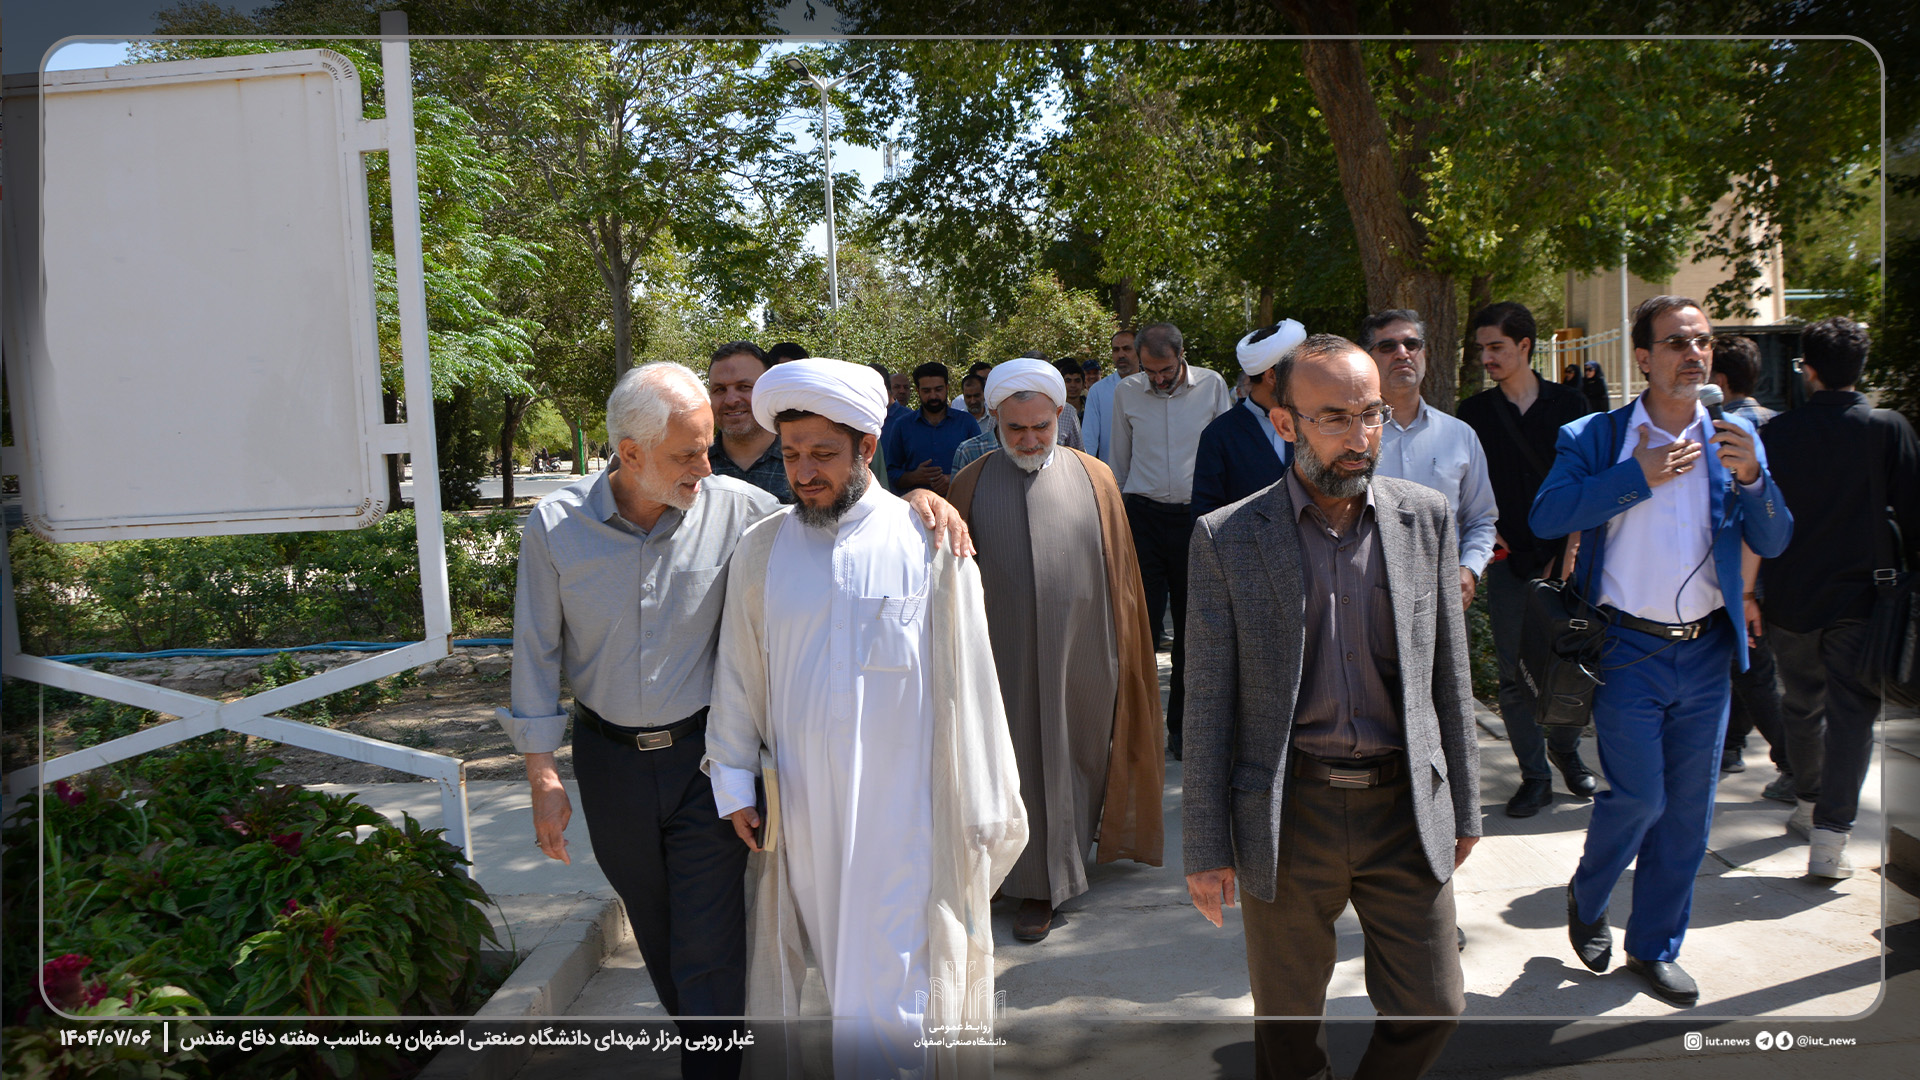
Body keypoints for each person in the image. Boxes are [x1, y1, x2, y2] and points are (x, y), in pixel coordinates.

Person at [702, 358, 1025, 1077]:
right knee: (834, 973)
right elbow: (739, 671)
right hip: (805, 812)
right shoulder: (762, 550)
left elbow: (975, 678)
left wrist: (983, 798)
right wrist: (733, 778)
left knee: (900, 978)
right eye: (791, 455)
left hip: (906, 813)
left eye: (822, 453)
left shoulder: (930, 542)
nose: (804, 472)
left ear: (867, 448)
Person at [1184, 334, 1480, 1080]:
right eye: (1335, 419)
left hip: (1404, 809)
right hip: (1290, 814)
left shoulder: (1426, 518)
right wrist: (1206, 847)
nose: (1360, 438)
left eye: (1371, 414)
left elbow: (1450, 674)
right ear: (1286, 423)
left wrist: (1466, 807)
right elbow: (1209, 701)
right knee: (1287, 1029)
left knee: (1434, 1006)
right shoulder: (1227, 538)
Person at [499, 362, 776, 1080]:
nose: (705, 467)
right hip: (609, 764)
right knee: (656, 928)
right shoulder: (556, 526)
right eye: (688, 453)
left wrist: (925, 501)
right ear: (629, 453)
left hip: (706, 762)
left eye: (707, 448)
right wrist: (542, 775)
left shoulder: (742, 511)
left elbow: (837, 523)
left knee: (708, 939)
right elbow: (535, 652)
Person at [1532, 294, 1791, 1006]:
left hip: (1706, 653)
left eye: (1703, 341)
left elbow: (1775, 538)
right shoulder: (1597, 436)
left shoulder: (1736, 435)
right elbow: (1547, 515)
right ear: (1644, 358)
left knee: (1687, 814)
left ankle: (1653, 947)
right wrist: (1635, 477)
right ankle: (1589, 895)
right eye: (1677, 342)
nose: (1694, 353)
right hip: (1626, 651)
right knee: (1640, 798)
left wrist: (1754, 479)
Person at [946, 359, 1166, 944]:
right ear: (994, 420)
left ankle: (1056, 871)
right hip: (1002, 654)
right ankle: (1027, 879)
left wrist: (1125, 647)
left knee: (1074, 754)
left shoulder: (1096, 477)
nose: (1029, 440)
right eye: (1016, 428)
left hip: (1085, 647)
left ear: (1061, 417)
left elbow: (1122, 571)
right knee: (1011, 758)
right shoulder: (969, 482)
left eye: (1041, 426)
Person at [1760, 316, 1920, 878]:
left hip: (1789, 596)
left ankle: (1808, 803)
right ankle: (1830, 839)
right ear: (1862, 367)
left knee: (1801, 704)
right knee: (1853, 714)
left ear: (1807, 370)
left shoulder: (1777, 433)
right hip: (1864, 598)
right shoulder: (1887, 427)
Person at [1457, 301, 1598, 817]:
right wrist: (1489, 540)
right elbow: (1469, 491)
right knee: (1515, 677)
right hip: (1510, 563)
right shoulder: (1474, 414)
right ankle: (1534, 776)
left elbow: (1589, 484)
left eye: (1496, 347)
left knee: (1571, 667)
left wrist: (1573, 549)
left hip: (1568, 562)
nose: (1487, 358)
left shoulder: (1572, 404)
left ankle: (1566, 752)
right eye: (1482, 349)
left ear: (1524, 346)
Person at [1109, 322, 1235, 758]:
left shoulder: (1213, 386)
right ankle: (1137, 731)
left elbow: (1225, 455)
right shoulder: (1127, 392)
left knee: (1190, 629)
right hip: (1142, 518)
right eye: (1150, 371)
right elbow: (1118, 462)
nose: (1158, 379)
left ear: (1182, 356)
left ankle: (1183, 728)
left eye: (1165, 370)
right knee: (1138, 628)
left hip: (1195, 520)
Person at [1709, 336, 1790, 784]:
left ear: (1719, 381)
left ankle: (1795, 764)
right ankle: (1732, 745)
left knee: (1754, 671)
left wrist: (1743, 590)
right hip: (1779, 563)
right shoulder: (1778, 423)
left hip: (1743, 572)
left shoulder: (1723, 430)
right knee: (1747, 665)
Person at [1190, 318, 1300, 519]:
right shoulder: (1219, 435)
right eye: (1299, 371)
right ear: (1272, 376)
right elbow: (1206, 514)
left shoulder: (1312, 423)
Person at [706, 340, 792, 503]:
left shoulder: (802, 462)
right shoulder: (693, 467)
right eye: (720, 389)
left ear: (769, 391)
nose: (731, 400)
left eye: (744, 387)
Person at [884, 361, 981, 497]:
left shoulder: (966, 422)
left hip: (960, 505)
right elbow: (891, 473)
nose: (933, 396)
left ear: (947, 388)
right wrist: (913, 477)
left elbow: (981, 467)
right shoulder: (902, 425)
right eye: (926, 391)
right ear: (917, 391)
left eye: (938, 389)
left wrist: (952, 480)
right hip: (916, 507)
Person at [1083, 328, 1138, 462]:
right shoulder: (1098, 391)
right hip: (1111, 470)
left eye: (1127, 349)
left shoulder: (1153, 386)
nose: (1121, 354)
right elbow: (1088, 440)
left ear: (1139, 350)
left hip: (1148, 471)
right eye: (1116, 350)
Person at [961, 370, 995, 438]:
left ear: (984, 393)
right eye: (968, 397)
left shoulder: (994, 418)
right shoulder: (958, 421)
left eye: (976, 396)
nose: (973, 401)